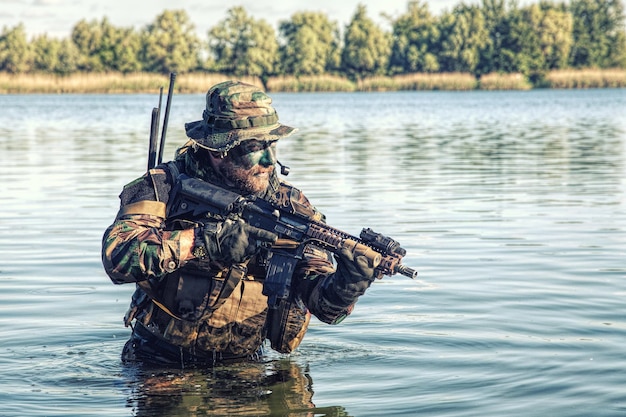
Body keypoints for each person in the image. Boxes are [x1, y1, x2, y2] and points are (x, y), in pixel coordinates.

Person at [102, 80, 378, 366]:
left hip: (249, 365)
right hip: (161, 364)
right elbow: (118, 256)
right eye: (256, 146)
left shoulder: (291, 206)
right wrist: (204, 243)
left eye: (272, 144)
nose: (270, 160)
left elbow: (324, 307)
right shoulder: (162, 188)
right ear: (219, 150)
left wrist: (349, 283)